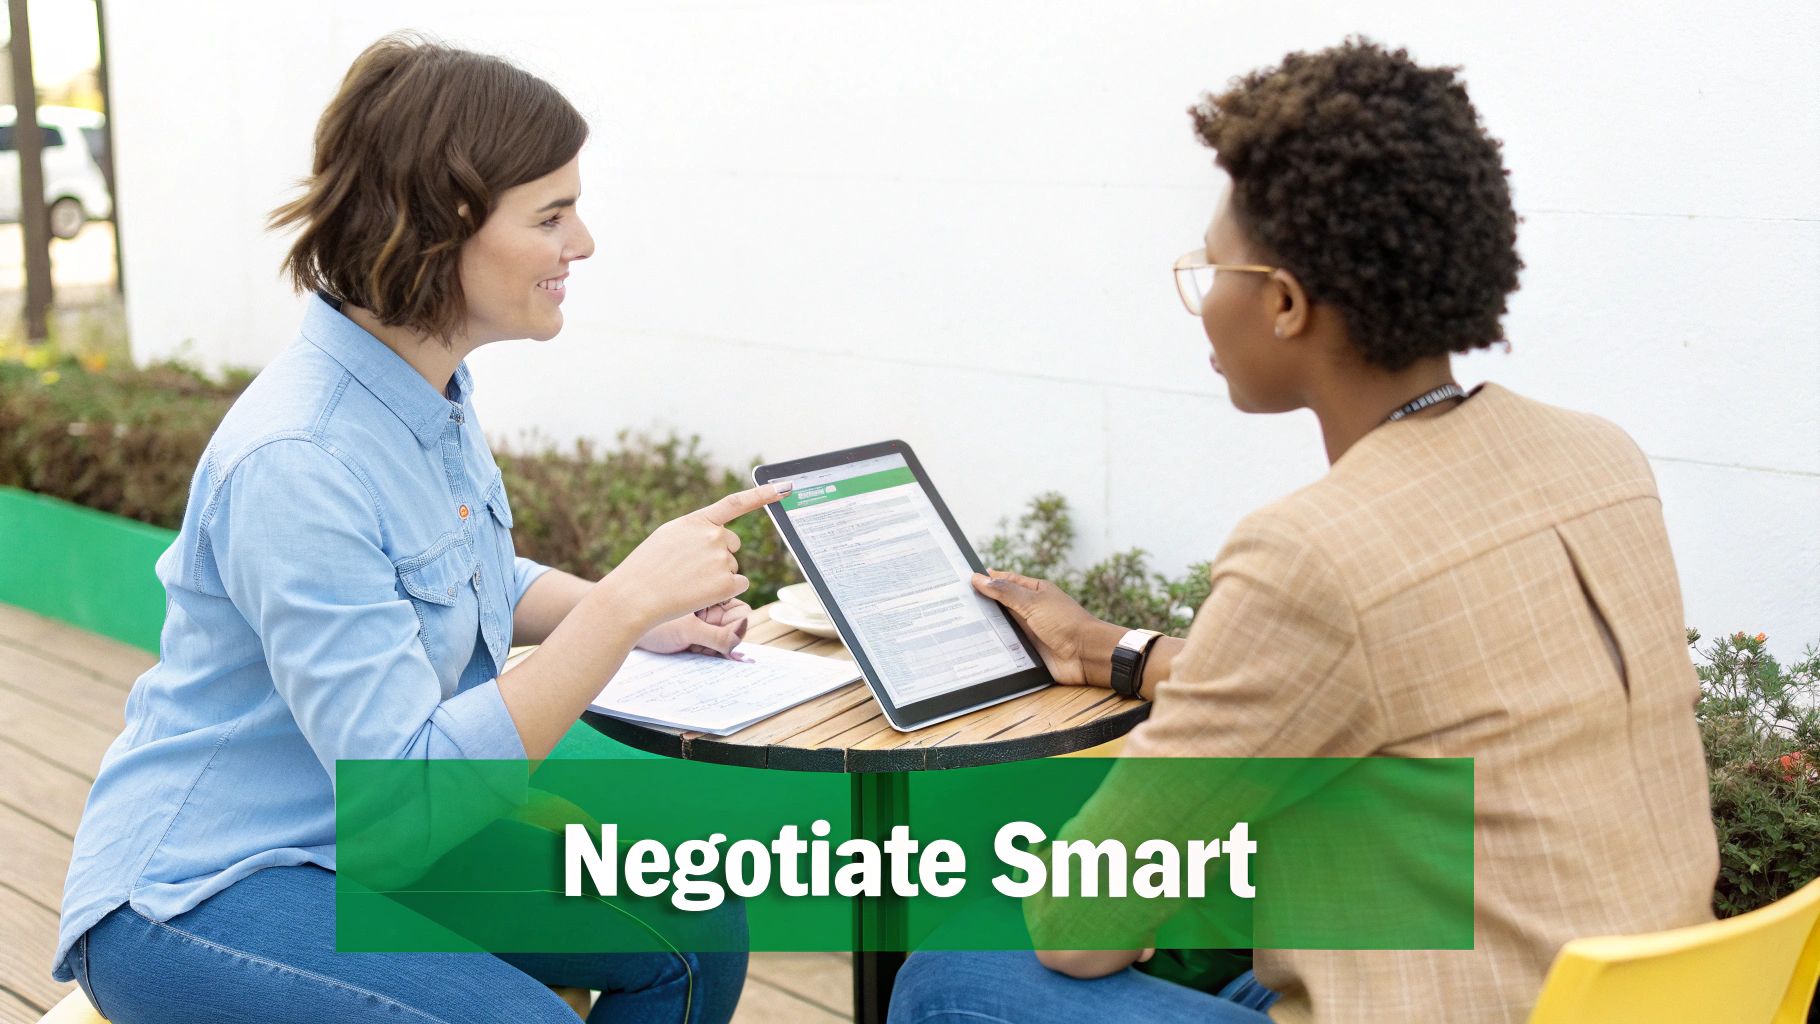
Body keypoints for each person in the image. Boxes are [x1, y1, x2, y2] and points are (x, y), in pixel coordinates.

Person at [890, 37, 1718, 1024]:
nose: (1202, 295)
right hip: (1641, 997)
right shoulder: (1597, 461)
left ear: (1281, 302)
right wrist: (1106, 650)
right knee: (1247, 958)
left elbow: (1077, 927)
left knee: (951, 974)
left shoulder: (1315, 550)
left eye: (1210, 266)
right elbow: (1389, 673)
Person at [52, 35, 782, 1023]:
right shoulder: (297, 459)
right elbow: (402, 802)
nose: (583, 243)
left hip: (360, 843)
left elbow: (473, 576)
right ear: (442, 229)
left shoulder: (422, 390)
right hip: (208, 885)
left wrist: (645, 614)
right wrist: (611, 613)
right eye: (553, 214)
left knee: (694, 927)